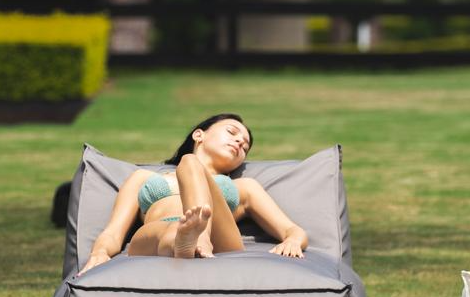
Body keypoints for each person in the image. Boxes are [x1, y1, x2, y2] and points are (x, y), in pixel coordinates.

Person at [77, 113, 308, 275]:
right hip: (161, 232)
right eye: (232, 132)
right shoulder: (142, 178)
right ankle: (186, 241)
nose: (240, 141)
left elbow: (293, 230)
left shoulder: (244, 186)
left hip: (218, 241)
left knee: (190, 163)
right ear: (199, 135)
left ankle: (200, 236)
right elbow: (114, 232)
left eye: (245, 146)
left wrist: (293, 241)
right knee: (174, 230)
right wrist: (99, 253)